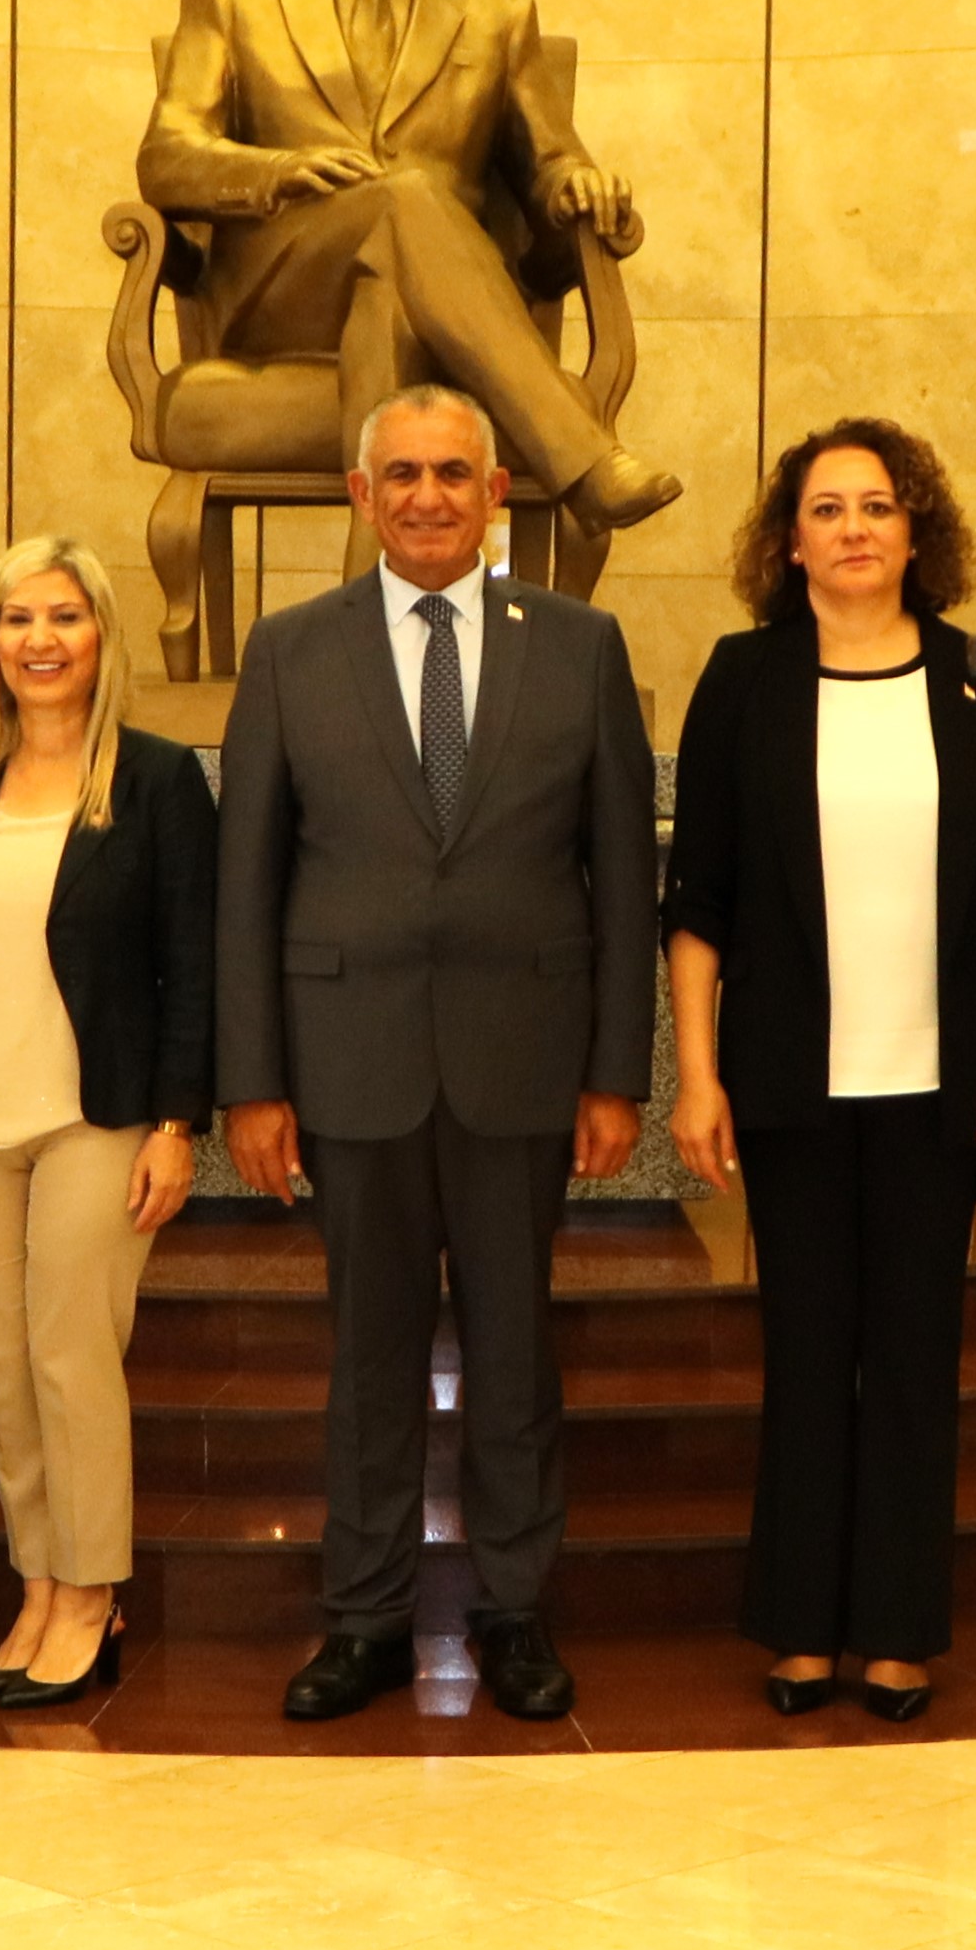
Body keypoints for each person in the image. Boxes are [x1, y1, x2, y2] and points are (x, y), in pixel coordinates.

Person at [216, 384, 660, 1724]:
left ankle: (514, 1611)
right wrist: (251, 1082)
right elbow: (246, 883)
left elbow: (622, 875)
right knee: (369, 1356)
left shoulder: (579, 647)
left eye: (451, 474)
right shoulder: (288, 651)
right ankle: (362, 1618)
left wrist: (614, 1074)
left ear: (495, 494)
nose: (425, 497)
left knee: (515, 1350)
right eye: (399, 474)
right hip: (347, 1061)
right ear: (361, 496)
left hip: (523, 1061)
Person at [662, 423, 976, 1720]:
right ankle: (798, 1627)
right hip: (788, 1083)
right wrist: (695, 1076)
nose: (852, 528)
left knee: (911, 1355)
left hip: (939, 1086)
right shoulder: (744, 678)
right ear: (788, 542)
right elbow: (699, 900)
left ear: (913, 531)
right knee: (804, 1349)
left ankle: (895, 1631)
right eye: (825, 508)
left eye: (876, 506)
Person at [134, 0, 674, 532]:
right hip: (282, 292)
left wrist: (581, 187)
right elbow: (166, 156)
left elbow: (553, 165)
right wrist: (274, 170)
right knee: (407, 193)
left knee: (390, 283)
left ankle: (378, 603)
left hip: (430, 311)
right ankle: (585, 461)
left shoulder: (498, 19)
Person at [0, 538, 211, 1712]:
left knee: (72, 1358)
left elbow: (193, 962)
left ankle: (90, 1592)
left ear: (101, 635)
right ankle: (35, 1583)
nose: (38, 640)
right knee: (2, 1363)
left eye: (63, 617)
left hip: (97, 1117)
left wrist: (177, 1122)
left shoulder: (157, 780)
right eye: (16, 618)